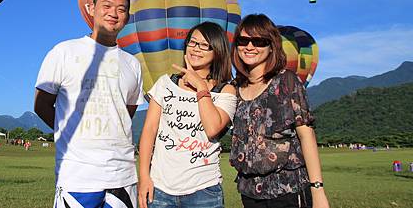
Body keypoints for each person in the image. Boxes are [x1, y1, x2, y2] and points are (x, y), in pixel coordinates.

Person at [34, 0, 144, 208]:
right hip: (77, 176)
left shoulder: (132, 64)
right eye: (107, 5)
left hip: (123, 176)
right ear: (91, 8)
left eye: (121, 9)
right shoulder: (64, 52)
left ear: (128, 17)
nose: (113, 13)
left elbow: (125, 113)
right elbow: (42, 104)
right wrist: (69, 133)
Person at [229, 14, 330, 208]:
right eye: (243, 40)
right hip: (249, 192)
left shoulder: (287, 81)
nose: (250, 46)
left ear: (271, 45)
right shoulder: (234, 89)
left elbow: (306, 135)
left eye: (259, 41)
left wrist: (317, 190)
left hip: (288, 190)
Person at [138, 22, 237, 208]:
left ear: (217, 50)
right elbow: (149, 131)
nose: (196, 49)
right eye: (192, 42)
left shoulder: (226, 90)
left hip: (204, 189)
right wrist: (144, 177)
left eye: (205, 45)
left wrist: (200, 87)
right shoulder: (165, 83)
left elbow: (213, 128)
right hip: (160, 188)